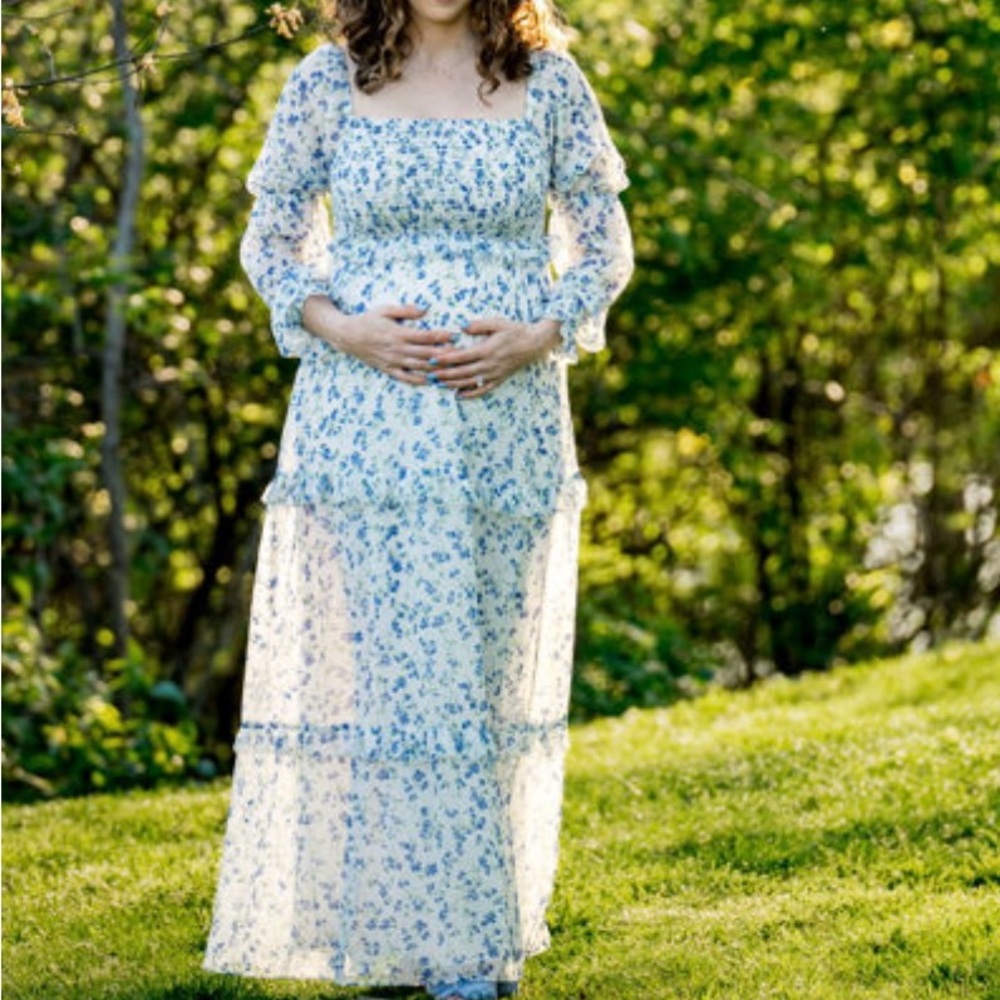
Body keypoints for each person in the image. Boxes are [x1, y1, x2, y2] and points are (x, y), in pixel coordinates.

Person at [203, 1, 633, 997]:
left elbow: (604, 246)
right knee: (387, 680)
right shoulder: (327, 81)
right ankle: (406, 945)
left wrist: (540, 332)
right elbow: (271, 242)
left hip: (507, 421)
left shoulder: (549, 84)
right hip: (363, 418)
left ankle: (471, 938)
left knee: (485, 681)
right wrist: (343, 327)